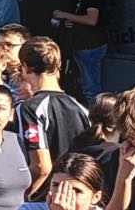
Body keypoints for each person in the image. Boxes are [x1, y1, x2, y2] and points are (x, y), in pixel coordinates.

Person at [16, 36, 89, 200]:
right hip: (77, 197)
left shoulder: (30, 108)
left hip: (45, 199)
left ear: (25, 68)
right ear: (58, 67)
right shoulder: (81, 108)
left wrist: (24, 196)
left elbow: (41, 166)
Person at [55, 0, 108, 98]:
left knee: (90, 86)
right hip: (82, 43)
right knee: (86, 83)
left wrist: (65, 15)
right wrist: (71, 21)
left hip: (90, 44)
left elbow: (91, 20)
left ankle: (95, 116)